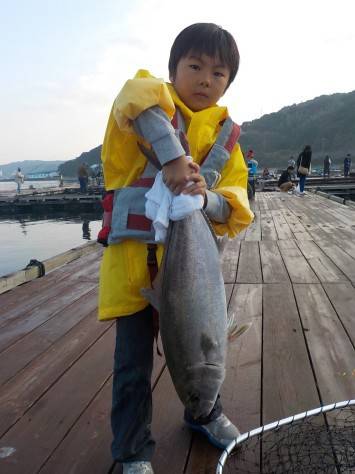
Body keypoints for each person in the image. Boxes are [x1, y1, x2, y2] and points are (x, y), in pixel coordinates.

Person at [98, 23, 254, 474]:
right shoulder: (143, 107)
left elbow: (237, 205)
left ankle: (202, 409)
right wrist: (171, 158)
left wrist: (204, 197)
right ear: (173, 71)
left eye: (219, 73)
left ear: (228, 82)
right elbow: (135, 93)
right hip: (134, 273)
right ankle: (131, 452)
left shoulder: (226, 138)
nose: (206, 79)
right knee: (132, 368)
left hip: (194, 279)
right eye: (195, 66)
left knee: (203, 349)